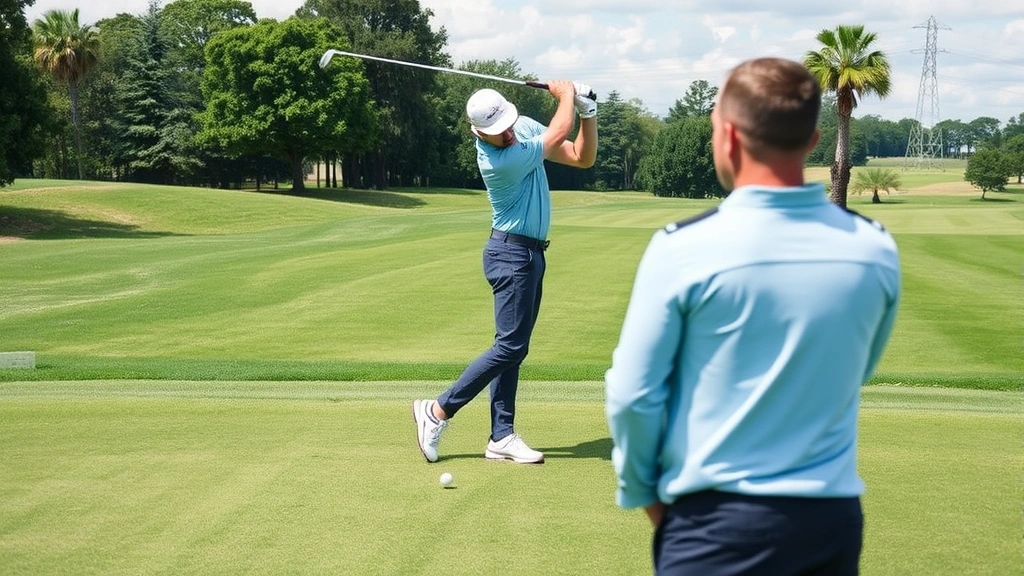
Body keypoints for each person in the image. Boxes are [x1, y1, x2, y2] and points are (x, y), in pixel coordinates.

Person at [605, 57, 901, 575]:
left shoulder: (683, 248)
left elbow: (632, 395)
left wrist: (645, 496)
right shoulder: (874, 248)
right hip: (830, 523)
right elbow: (855, 372)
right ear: (812, 141)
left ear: (729, 138)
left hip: (713, 525)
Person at [412, 80, 598, 464]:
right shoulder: (498, 161)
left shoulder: (522, 130)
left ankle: (501, 436)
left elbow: (582, 156)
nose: (508, 134)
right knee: (510, 347)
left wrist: (588, 112)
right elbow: (560, 131)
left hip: (530, 256)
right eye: (498, 133)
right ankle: (437, 410)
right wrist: (566, 96)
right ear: (479, 133)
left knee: (512, 349)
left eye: (509, 124)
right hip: (511, 256)